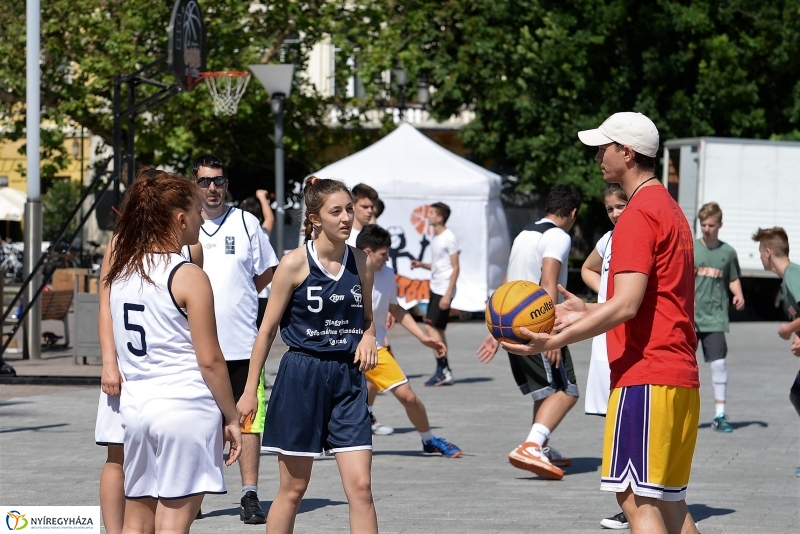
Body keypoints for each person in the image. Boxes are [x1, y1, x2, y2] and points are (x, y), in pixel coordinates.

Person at [513, 112, 700, 534]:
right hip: (676, 376)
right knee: (671, 505)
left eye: (604, 146)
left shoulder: (638, 213)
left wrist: (555, 339)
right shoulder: (669, 208)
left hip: (646, 375)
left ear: (627, 153)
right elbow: (650, 300)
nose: (598, 155)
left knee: (636, 502)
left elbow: (627, 306)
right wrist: (587, 311)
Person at [102, 170, 241, 533]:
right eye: (196, 211)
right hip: (184, 408)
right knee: (174, 522)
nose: (201, 218)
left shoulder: (123, 272)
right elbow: (210, 361)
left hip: (137, 410)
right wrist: (231, 416)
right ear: (180, 219)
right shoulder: (188, 274)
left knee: (137, 519)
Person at [237, 177, 379, 534]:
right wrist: (250, 390)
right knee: (294, 489)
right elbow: (266, 331)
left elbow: (368, 320)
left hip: (347, 379)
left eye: (349, 209)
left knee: (361, 488)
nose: (346, 217)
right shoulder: (293, 264)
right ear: (315, 219)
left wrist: (368, 337)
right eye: (337, 211)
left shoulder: (362, 263)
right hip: (302, 376)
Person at [94, 167, 205, 533]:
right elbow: (106, 304)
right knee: (118, 456)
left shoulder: (187, 251)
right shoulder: (120, 245)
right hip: (128, 369)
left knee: (155, 474)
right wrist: (109, 362)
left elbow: (183, 318)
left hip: (165, 378)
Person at [192, 154, 279, 525]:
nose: (213, 188)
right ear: (193, 185)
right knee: (199, 421)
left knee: (248, 420)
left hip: (243, 343)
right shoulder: (183, 225)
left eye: (219, 181)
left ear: (227, 184)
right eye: (205, 181)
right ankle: (192, 493)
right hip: (196, 347)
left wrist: (239, 292)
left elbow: (267, 271)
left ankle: (249, 494)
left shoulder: (245, 222)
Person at [476, 185, 582, 480]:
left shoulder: (525, 233)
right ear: (573, 212)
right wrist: (550, 335)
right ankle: (531, 445)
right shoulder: (558, 236)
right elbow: (548, 282)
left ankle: (540, 448)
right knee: (566, 390)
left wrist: (494, 326)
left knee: (545, 391)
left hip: (509, 324)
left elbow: (509, 281)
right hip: (537, 325)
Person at [356, 223, 463, 457]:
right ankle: (315, 444)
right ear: (367, 252)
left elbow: (396, 308)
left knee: (408, 396)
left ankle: (428, 440)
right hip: (343, 349)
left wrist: (423, 337)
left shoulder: (386, 273)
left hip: (376, 349)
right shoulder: (343, 273)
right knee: (326, 400)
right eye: (383, 254)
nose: (387, 259)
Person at [581, 183, 631, 530]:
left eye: (620, 205)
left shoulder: (639, 234)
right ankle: (629, 503)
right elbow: (588, 268)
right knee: (612, 421)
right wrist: (602, 298)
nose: (615, 213)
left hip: (626, 335)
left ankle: (634, 503)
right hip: (604, 336)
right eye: (610, 208)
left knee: (628, 420)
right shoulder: (609, 239)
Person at [752, 227, 800, 475]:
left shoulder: (793, 275)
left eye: (760, 252)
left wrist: (787, 330)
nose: (759, 257)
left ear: (768, 252)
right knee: (797, 395)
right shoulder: (787, 281)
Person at [694, 202, 745, 433]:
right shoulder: (692, 249)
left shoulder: (728, 253)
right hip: (690, 318)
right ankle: (682, 413)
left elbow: (732, 278)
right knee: (684, 365)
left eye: (711, 225)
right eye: (703, 224)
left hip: (715, 318)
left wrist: (739, 295)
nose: (706, 229)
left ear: (720, 225)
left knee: (718, 364)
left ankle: (720, 414)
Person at [411, 202, 460, 386]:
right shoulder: (437, 237)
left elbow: (456, 268)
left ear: (439, 217)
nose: (428, 215)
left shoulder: (449, 238)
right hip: (436, 287)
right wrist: (421, 264)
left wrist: (448, 294)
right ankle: (444, 370)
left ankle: (443, 369)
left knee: (430, 328)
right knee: (437, 329)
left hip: (443, 290)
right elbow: (440, 265)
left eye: (431, 213)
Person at [240, 189, 277, 328]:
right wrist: (262, 197)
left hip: (243, 295)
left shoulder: (239, 234)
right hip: (262, 294)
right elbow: (270, 218)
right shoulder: (262, 234)